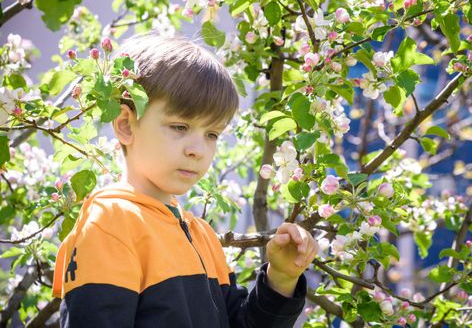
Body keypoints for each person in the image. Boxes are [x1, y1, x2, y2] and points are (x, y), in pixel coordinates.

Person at [52, 32, 319, 328]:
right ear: (126, 124)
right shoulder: (111, 224)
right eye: (180, 126)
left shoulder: (202, 236)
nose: (198, 150)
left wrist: (281, 278)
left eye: (212, 134)